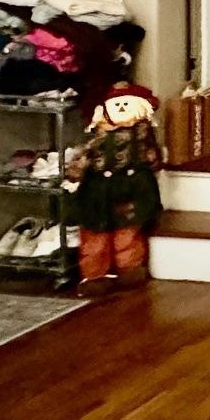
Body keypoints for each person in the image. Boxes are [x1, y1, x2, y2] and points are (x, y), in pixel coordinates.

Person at [69, 81, 164, 294]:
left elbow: (152, 158)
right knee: (95, 235)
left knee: (128, 233)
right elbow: (83, 156)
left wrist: (152, 167)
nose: (121, 109)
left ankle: (129, 270)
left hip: (130, 188)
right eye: (117, 104)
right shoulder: (96, 136)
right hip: (98, 188)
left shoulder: (142, 135)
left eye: (126, 104)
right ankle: (94, 275)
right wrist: (75, 174)